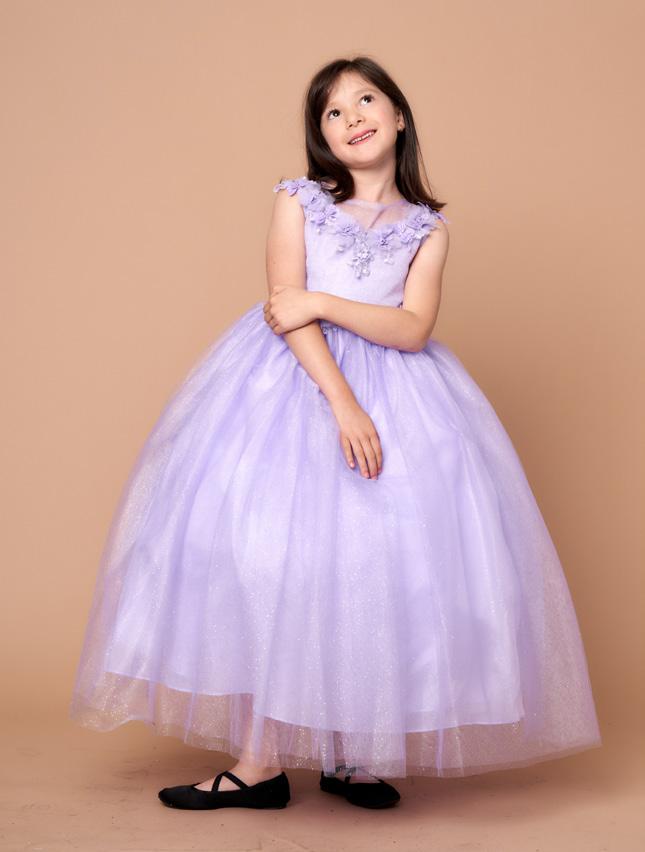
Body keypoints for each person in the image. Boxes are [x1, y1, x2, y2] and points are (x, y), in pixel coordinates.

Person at [69, 56, 602, 812]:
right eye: (332, 111)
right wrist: (343, 401)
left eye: (365, 100)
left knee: (377, 566)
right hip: (291, 390)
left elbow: (411, 329)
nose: (351, 118)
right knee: (276, 564)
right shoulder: (299, 202)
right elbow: (283, 309)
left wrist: (324, 300)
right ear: (322, 136)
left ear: (398, 116)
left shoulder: (427, 229)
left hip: (405, 399)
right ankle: (259, 764)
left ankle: (352, 752)